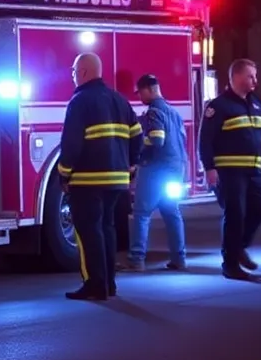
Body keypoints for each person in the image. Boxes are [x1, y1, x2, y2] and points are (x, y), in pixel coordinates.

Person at [57, 52, 143, 300]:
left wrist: (64, 173)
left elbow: (71, 142)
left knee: (88, 232)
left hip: (87, 180)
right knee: (106, 228)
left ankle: (95, 284)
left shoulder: (80, 101)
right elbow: (137, 135)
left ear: (83, 72)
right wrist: (132, 163)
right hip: (116, 180)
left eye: (74, 72)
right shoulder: (119, 99)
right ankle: (109, 284)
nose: (73, 76)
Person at [199, 57, 261, 280]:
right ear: (235, 77)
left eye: (255, 76)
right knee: (235, 214)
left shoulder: (257, 104)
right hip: (229, 172)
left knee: (260, 209)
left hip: (254, 171)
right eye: (250, 76)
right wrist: (209, 168)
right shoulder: (218, 106)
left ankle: (239, 247)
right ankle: (230, 264)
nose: (255, 80)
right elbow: (205, 140)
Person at [123, 74, 187, 271]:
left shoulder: (154, 112)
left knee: (142, 213)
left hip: (156, 170)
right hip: (176, 168)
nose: (139, 96)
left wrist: (137, 148)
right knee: (171, 212)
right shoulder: (173, 112)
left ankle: (136, 259)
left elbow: (156, 140)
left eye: (140, 92)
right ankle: (179, 258)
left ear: (150, 89)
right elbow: (182, 138)